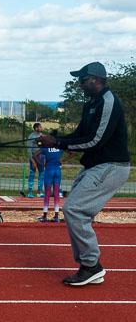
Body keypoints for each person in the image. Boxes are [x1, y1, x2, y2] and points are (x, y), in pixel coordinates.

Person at [38, 62, 130, 286]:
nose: (79, 84)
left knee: (75, 210)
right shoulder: (91, 104)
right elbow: (80, 134)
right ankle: (89, 266)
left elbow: (96, 140)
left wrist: (58, 142)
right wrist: (57, 141)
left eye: (83, 79)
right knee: (76, 212)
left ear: (96, 79)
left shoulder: (108, 103)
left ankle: (91, 266)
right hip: (95, 166)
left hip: (111, 166)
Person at [33, 130, 69, 223]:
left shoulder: (46, 148)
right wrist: (63, 160)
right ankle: (56, 216)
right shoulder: (60, 148)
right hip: (58, 170)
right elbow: (72, 153)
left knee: (47, 194)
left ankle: (45, 216)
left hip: (49, 170)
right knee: (57, 193)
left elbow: (35, 154)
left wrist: (41, 163)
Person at [26, 122, 45, 198]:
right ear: (36, 128)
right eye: (40, 127)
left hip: (41, 156)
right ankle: (30, 192)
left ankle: (39, 192)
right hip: (34, 157)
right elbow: (29, 150)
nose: (41, 128)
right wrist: (32, 160)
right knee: (32, 174)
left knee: (42, 173)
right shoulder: (31, 136)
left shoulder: (42, 136)